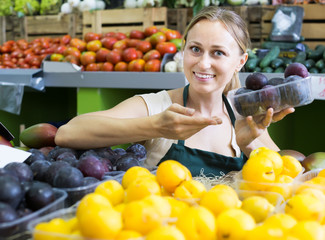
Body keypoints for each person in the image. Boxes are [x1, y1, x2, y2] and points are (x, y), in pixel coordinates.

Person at [55, 6, 294, 177]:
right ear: (184, 51)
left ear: (240, 62)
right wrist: (156, 127)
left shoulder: (244, 115)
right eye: (195, 49)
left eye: (218, 53)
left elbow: (287, 177)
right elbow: (67, 133)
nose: (203, 63)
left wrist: (249, 147)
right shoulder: (157, 106)